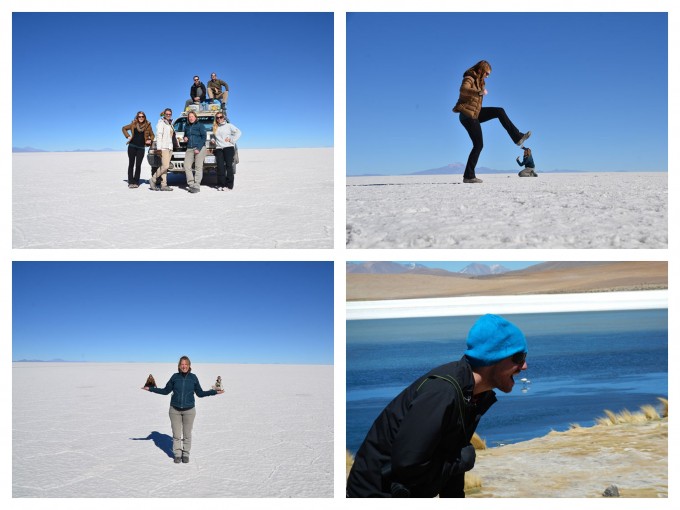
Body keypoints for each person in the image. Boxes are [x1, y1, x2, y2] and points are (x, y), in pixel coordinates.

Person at [346, 314, 528, 498]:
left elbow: (452, 454)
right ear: (494, 355)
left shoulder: (473, 394)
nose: (525, 366)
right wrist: (463, 461)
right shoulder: (442, 392)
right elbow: (408, 465)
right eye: (519, 357)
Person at [453, 60, 532, 183]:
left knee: (499, 111)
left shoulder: (480, 82)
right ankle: (468, 176)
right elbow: (463, 90)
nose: (488, 76)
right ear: (481, 70)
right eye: (487, 73)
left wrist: (480, 90)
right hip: (467, 116)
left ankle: (517, 137)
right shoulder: (469, 78)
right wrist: (478, 92)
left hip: (475, 114)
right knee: (478, 145)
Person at [142, 356, 224, 463]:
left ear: (189, 366)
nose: (184, 366)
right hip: (174, 410)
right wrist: (151, 389)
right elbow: (166, 391)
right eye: (182, 364)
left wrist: (214, 392)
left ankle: (185, 454)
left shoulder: (193, 377)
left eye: (186, 364)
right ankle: (177, 454)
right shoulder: (175, 377)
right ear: (179, 366)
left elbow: (200, 393)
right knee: (176, 435)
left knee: (187, 434)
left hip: (189, 411)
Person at [121, 111, 154, 188]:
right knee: (131, 164)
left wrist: (150, 139)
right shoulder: (134, 124)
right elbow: (124, 128)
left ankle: (136, 182)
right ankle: (130, 181)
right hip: (132, 146)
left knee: (138, 165)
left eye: (142, 116)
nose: (141, 118)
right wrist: (128, 136)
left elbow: (152, 135)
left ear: (144, 117)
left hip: (141, 148)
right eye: (139, 116)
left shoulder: (148, 125)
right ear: (137, 117)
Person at [212, 113, 241, 191]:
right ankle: (221, 184)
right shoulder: (215, 127)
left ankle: (229, 185)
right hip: (219, 148)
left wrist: (231, 140)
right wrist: (213, 140)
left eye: (220, 117)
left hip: (228, 147)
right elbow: (214, 137)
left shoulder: (229, 125)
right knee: (220, 167)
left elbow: (239, 132)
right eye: (217, 118)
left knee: (229, 166)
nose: (219, 119)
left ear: (223, 117)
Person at [150, 108, 175, 191]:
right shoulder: (161, 123)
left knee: (164, 167)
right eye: (167, 114)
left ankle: (164, 185)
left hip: (169, 147)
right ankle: (153, 179)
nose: (168, 115)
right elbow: (159, 136)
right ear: (164, 114)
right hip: (163, 148)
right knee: (165, 166)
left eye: (169, 114)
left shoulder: (169, 124)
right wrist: (159, 148)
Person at [183, 111, 207, 193]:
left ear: (195, 117)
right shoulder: (186, 126)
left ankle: (196, 186)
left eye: (192, 116)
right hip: (189, 148)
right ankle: (191, 184)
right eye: (189, 117)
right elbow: (185, 135)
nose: (191, 118)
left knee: (198, 167)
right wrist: (185, 138)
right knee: (186, 166)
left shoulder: (200, 125)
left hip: (199, 147)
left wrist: (198, 148)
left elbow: (204, 137)